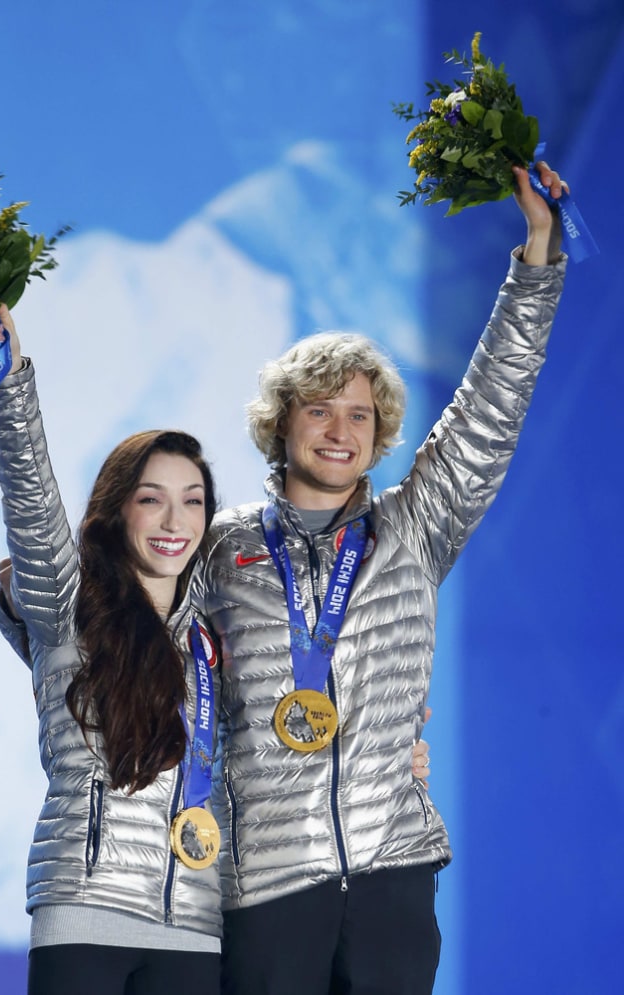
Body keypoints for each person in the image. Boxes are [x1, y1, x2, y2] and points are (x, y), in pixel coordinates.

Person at [192, 161, 568, 994]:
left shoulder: (413, 527)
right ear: (280, 423)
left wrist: (536, 256)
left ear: (380, 431)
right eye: (319, 409)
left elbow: (490, 408)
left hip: (393, 874)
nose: (340, 430)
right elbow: (128, 645)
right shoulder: (217, 549)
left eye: (359, 413)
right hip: (264, 884)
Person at [0, 306, 223, 995]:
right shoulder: (68, 604)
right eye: (152, 499)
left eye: (193, 501)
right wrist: (8, 375)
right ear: (116, 510)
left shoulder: (216, 640)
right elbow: (29, 493)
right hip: (84, 915)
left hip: (199, 923)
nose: (176, 522)